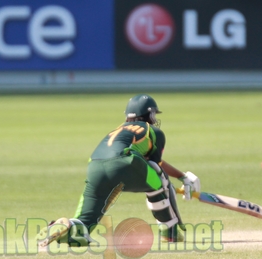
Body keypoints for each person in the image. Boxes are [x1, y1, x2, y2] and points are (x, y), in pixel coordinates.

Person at [36, 95, 200, 247]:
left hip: (95, 166)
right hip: (125, 164)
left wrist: (181, 176)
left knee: (85, 223)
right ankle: (170, 232)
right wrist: (182, 178)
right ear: (149, 113)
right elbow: (156, 164)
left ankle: (69, 227)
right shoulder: (153, 131)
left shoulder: (118, 129)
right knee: (159, 180)